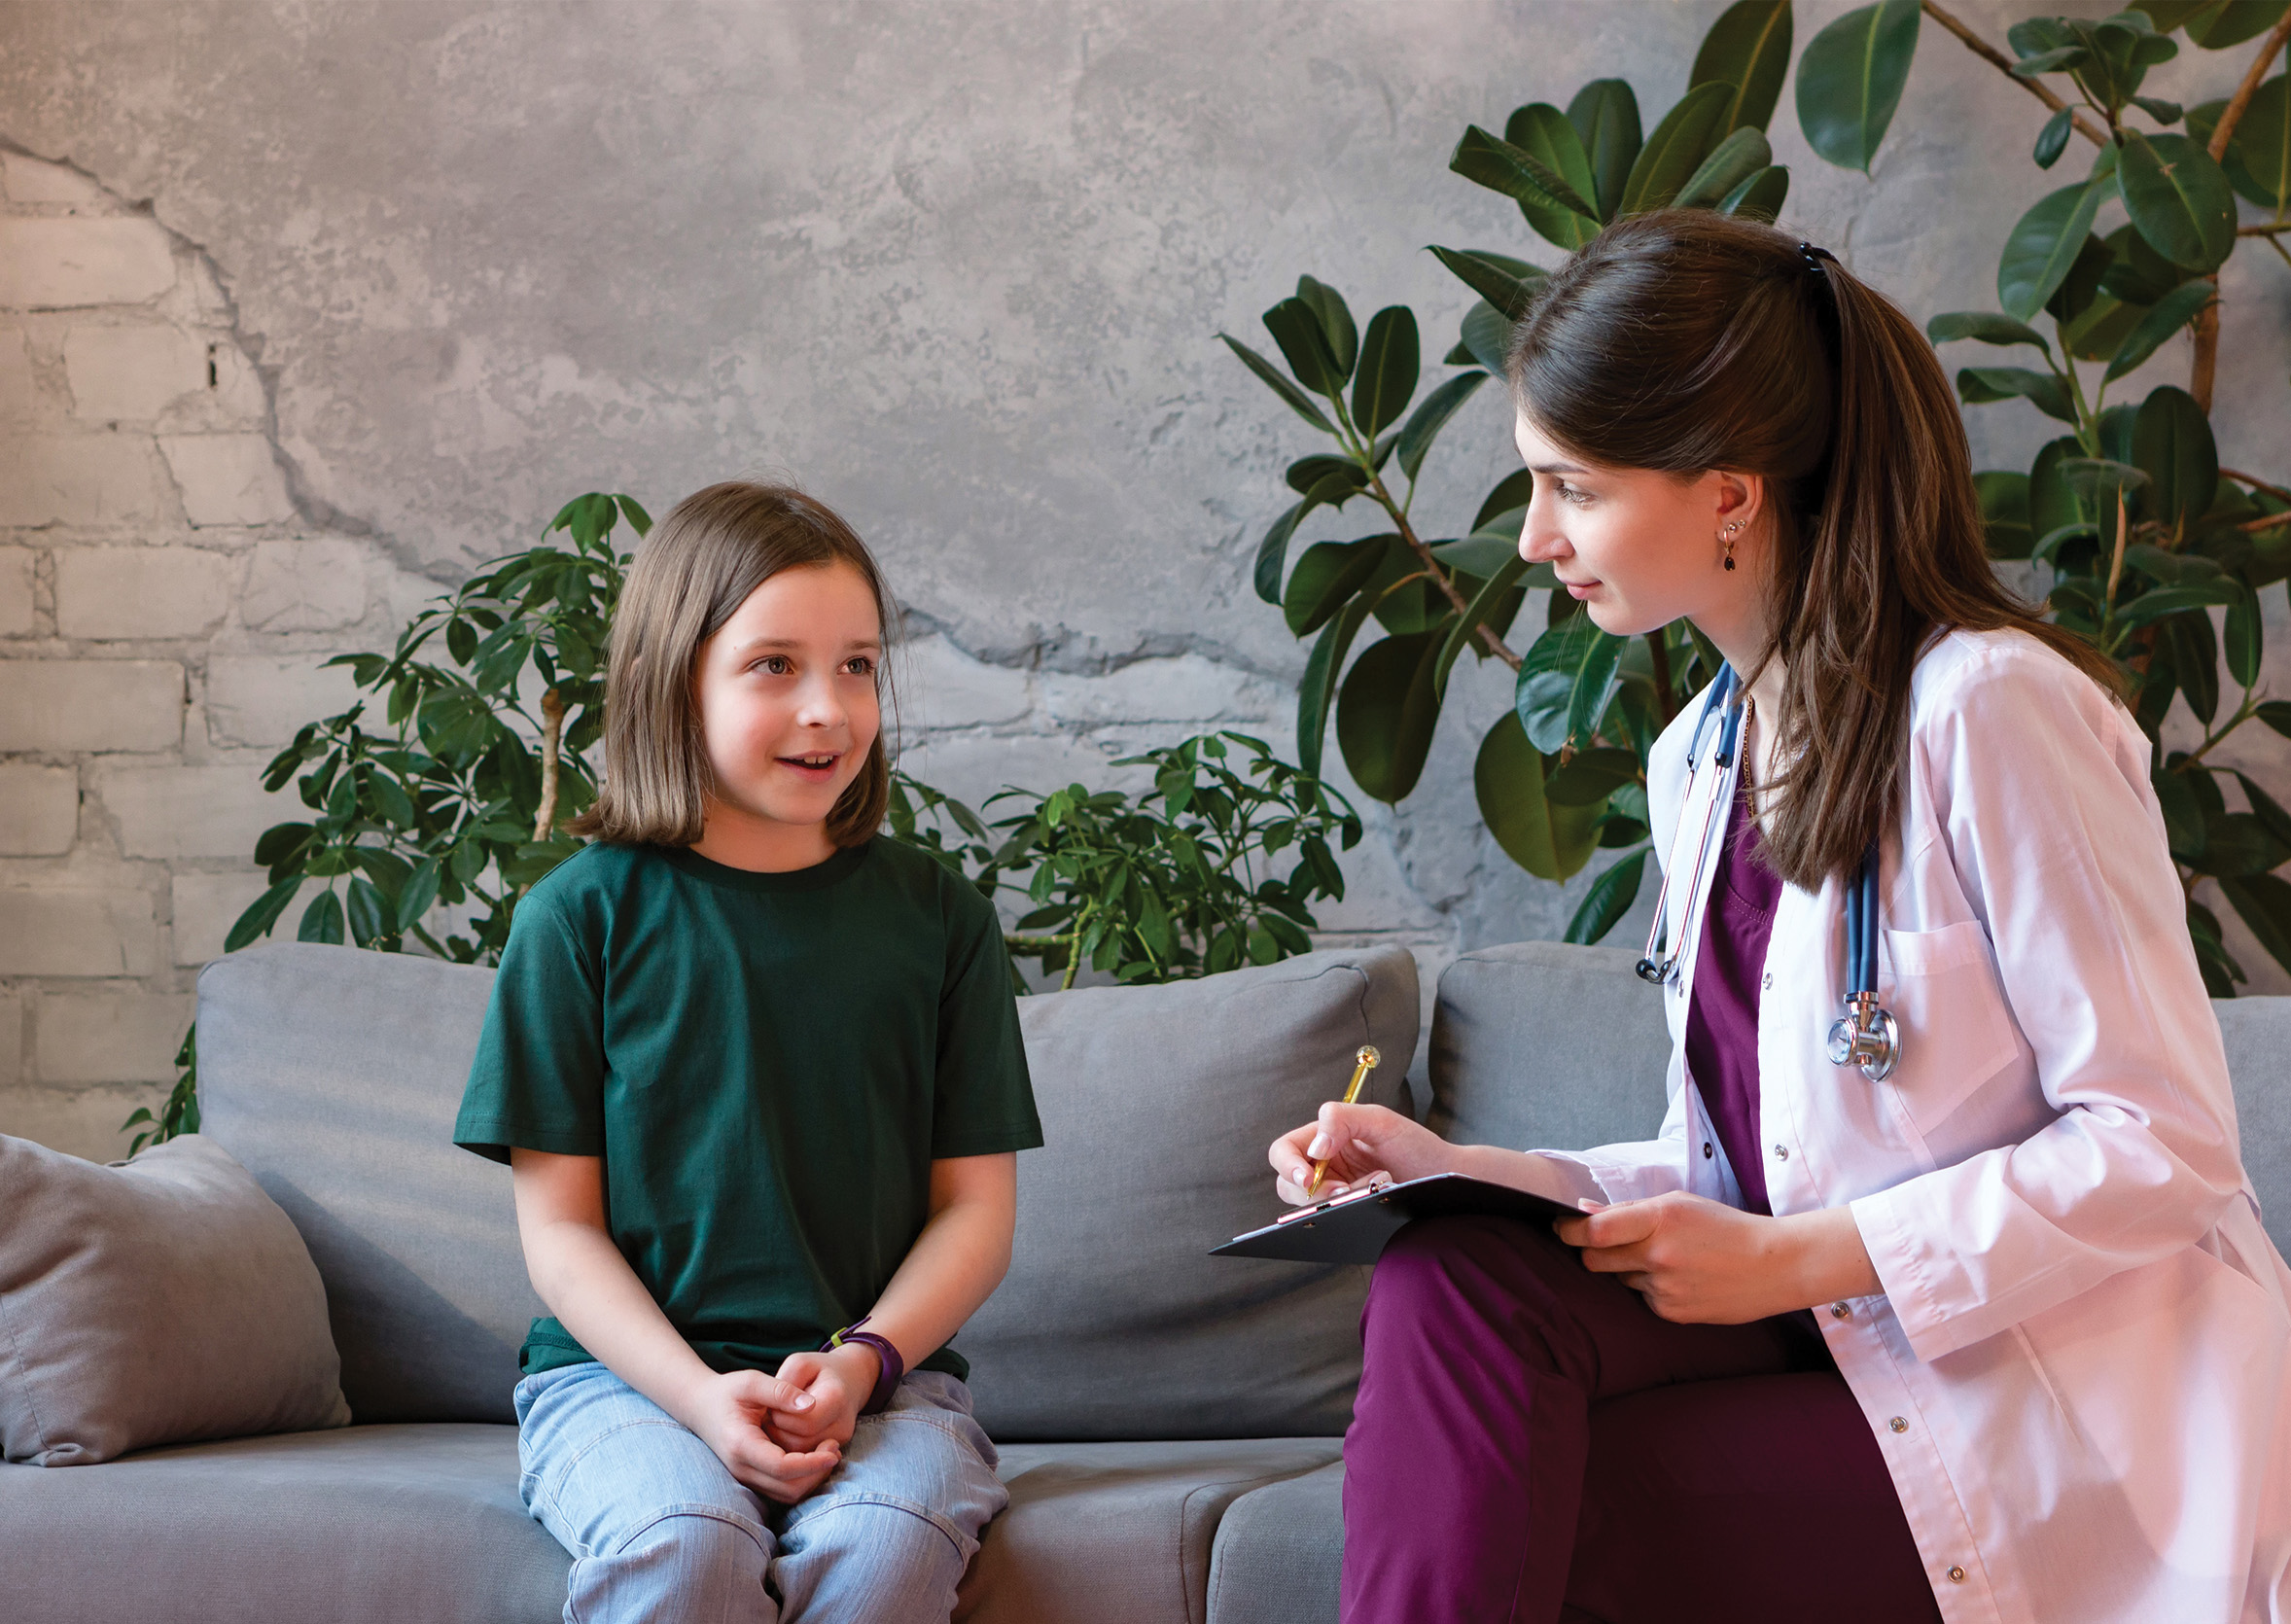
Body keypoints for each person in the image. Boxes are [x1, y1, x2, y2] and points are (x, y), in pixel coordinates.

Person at [1267, 211, 2291, 1624]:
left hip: (2050, 1411)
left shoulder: (1991, 710)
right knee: (1455, 1274)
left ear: (1729, 491)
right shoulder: (1698, 753)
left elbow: (2164, 1144)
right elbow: (1746, 1167)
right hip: (1829, 1339)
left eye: (1571, 484)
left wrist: (1806, 1260)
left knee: (1544, 1494)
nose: (1534, 537)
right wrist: (1459, 1163)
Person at [453, 481, 1042, 1624]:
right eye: (774, 664)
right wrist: (699, 1397)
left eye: (859, 664)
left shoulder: (937, 918)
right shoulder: (577, 919)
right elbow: (560, 1232)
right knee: (681, 1542)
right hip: (616, 1383)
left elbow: (975, 1211)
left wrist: (866, 1359)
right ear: (678, 681)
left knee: (886, 1544)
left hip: (890, 1386)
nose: (828, 707)